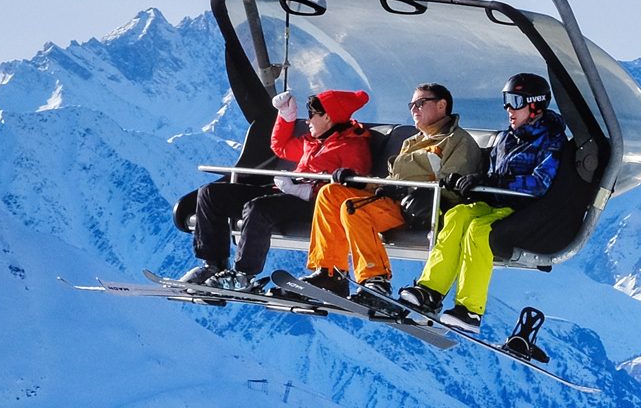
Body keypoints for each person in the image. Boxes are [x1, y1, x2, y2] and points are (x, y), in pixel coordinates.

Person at [398, 73, 567, 332]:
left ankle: (470, 310)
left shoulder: (551, 140)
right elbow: (491, 173)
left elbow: (540, 183)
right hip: (494, 202)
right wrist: (469, 181)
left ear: (535, 105)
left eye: (515, 101)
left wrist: (498, 183)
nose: (508, 108)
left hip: (523, 210)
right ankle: (430, 291)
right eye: (505, 101)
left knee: (479, 232)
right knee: (457, 216)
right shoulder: (505, 138)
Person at [299, 83, 484, 311]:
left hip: (423, 208)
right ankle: (329, 273)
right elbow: (391, 181)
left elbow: (452, 185)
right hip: (397, 200)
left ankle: (375, 280)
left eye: (420, 103)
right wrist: (358, 180)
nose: (414, 109)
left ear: (441, 105)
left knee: (353, 208)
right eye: (411, 105)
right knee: (330, 193)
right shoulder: (412, 142)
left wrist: (418, 182)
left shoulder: (458, 142)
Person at [179, 89, 372, 292]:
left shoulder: (352, 146)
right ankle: (213, 264)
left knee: (258, 208)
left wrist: (305, 191)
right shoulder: (313, 143)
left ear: (327, 116)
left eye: (311, 115)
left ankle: (244, 274)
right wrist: (285, 117)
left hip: (312, 205)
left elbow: (352, 186)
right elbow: (280, 147)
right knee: (211, 193)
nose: (308, 121)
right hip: (285, 194)